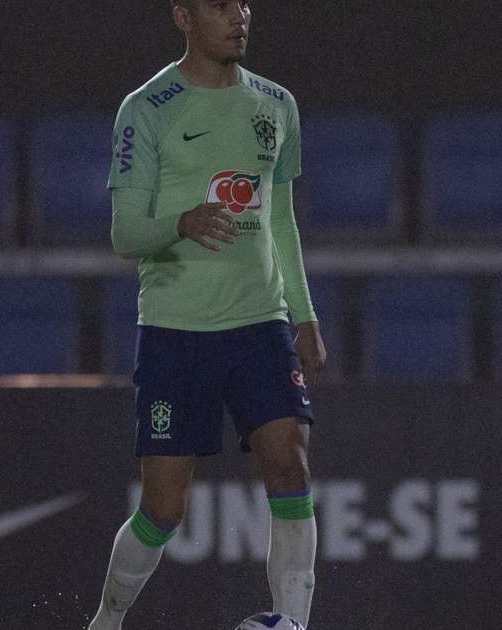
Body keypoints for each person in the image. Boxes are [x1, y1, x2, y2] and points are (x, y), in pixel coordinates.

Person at [88, 0, 325, 628]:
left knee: (290, 463)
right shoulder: (146, 109)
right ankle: (108, 619)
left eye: (244, 3)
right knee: (163, 508)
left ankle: (292, 623)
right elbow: (124, 233)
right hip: (177, 330)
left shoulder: (277, 104)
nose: (239, 16)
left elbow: (279, 218)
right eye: (220, 5)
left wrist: (303, 314)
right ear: (182, 16)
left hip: (260, 322)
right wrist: (181, 223)